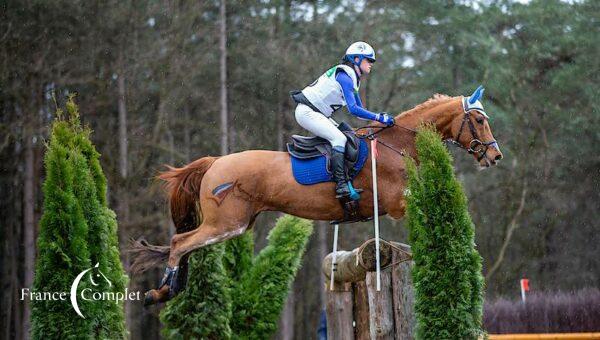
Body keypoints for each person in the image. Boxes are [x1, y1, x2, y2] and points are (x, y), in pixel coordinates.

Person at [291, 41, 395, 199]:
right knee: (339, 138)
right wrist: (379, 117)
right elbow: (353, 109)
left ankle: (345, 180)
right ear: (357, 60)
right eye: (368, 60)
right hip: (307, 112)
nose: (371, 64)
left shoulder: (352, 78)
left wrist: (378, 117)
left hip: (315, 113)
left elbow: (359, 113)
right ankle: (341, 186)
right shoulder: (345, 77)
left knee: (347, 133)